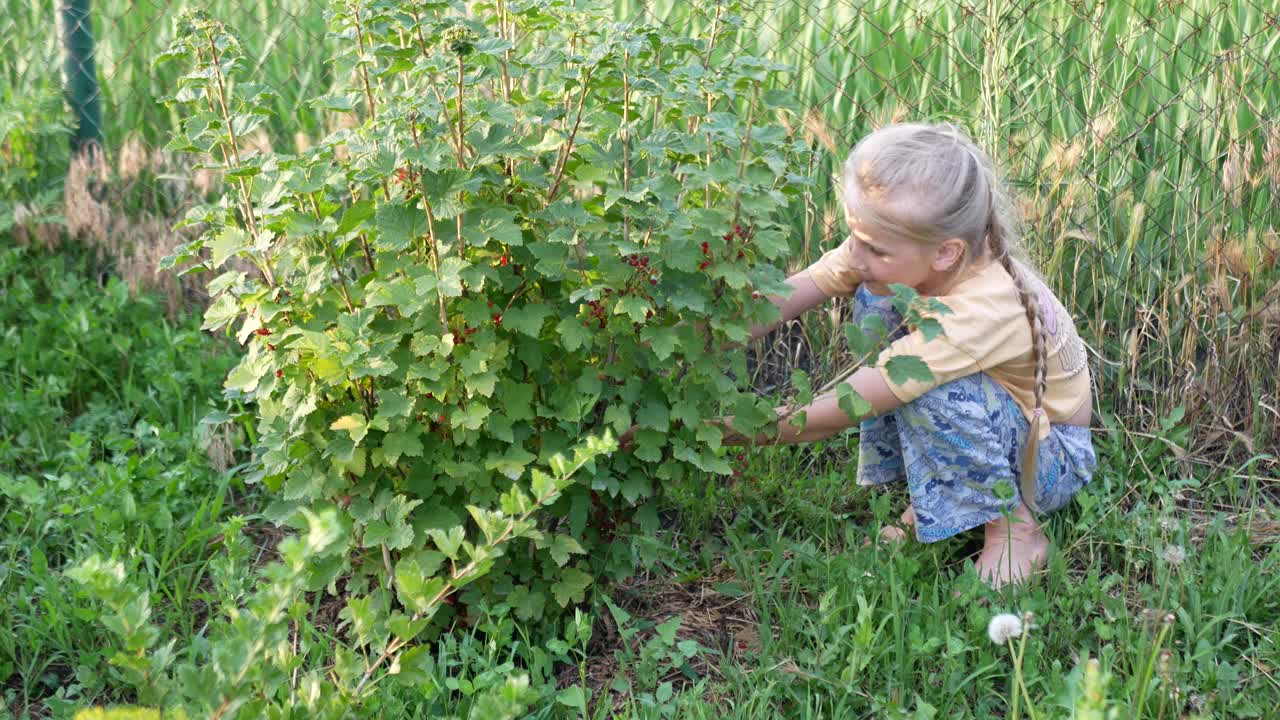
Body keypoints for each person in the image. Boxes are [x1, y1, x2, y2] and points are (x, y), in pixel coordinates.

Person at [719, 122, 1096, 588]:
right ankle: (939, 492)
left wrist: (728, 431)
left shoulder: (980, 310)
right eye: (854, 236)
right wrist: (707, 337)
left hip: (1051, 461)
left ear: (945, 253)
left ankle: (1015, 530)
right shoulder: (902, 251)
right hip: (1008, 421)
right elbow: (798, 290)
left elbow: (853, 402)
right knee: (876, 298)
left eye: (873, 248)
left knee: (927, 388)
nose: (854, 254)